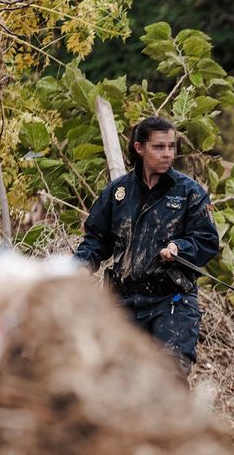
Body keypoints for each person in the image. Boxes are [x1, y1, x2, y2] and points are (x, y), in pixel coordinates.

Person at [74, 115, 220, 380]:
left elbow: (207, 241)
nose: (167, 154)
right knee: (112, 379)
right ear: (139, 148)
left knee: (169, 377)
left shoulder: (190, 193)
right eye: (159, 147)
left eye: (171, 147)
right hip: (123, 300)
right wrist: (81, 266)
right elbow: (96, 240)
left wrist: (180, 247)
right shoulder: (117, 193)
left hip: (172, 300)